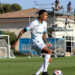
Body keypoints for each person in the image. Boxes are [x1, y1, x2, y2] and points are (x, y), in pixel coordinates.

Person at [12, 10, 52, 75]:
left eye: (47, 15)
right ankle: (45, 72)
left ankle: (36, 74)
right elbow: (22, 31)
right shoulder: (34, 23)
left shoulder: (45, 23)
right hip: (35, 43)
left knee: (49, 60)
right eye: (45, 15)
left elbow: (44, 34)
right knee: (49, 52)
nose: (46, 17)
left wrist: (46, 42)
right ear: (41, 15)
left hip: (41, 43)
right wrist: (16, 41)